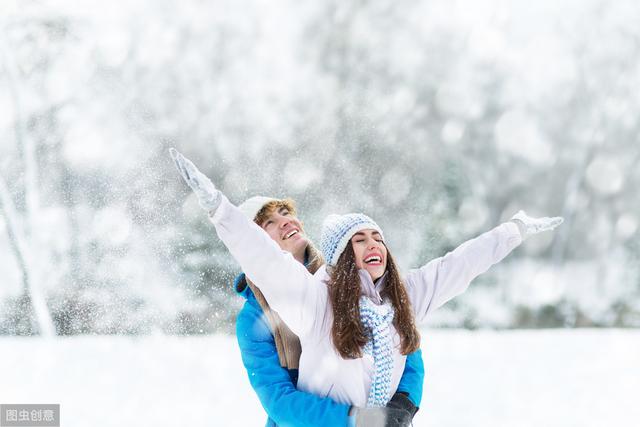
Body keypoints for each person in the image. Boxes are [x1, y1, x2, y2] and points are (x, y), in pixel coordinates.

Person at [169, 149, 562, 414]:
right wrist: (219, 208)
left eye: (377, 237)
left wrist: (513, 231)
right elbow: (280, 400)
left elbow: (457, 266)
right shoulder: (313, 299)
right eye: (359, 240)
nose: (373, 245)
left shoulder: (399, 299)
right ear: (343, 256)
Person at [233, 196, 423, 426]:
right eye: (267, 223)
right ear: (252, 246)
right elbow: (278, 399)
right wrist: (355, 419)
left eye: (285, 212)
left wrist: (404, 401)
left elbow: (403, 340)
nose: (284, 221)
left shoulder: (346, 276)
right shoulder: (253, 319)